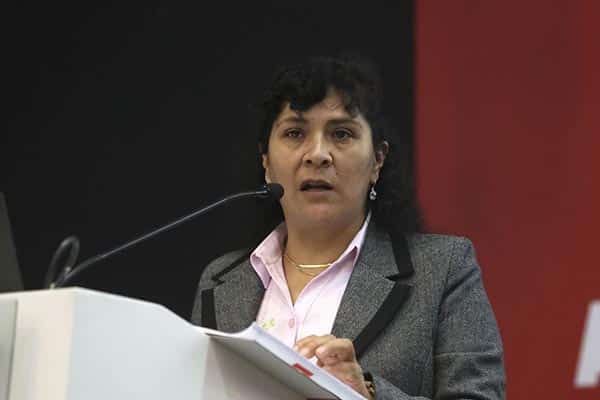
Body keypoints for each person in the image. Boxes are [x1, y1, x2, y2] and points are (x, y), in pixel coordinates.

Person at [191, 55, 505, 399]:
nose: (317, 154)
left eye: (341, 134)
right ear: (266, 162)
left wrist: (367, 393)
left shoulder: (442, 269)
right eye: (295, 133)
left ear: (377, 161)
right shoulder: (220, 281)